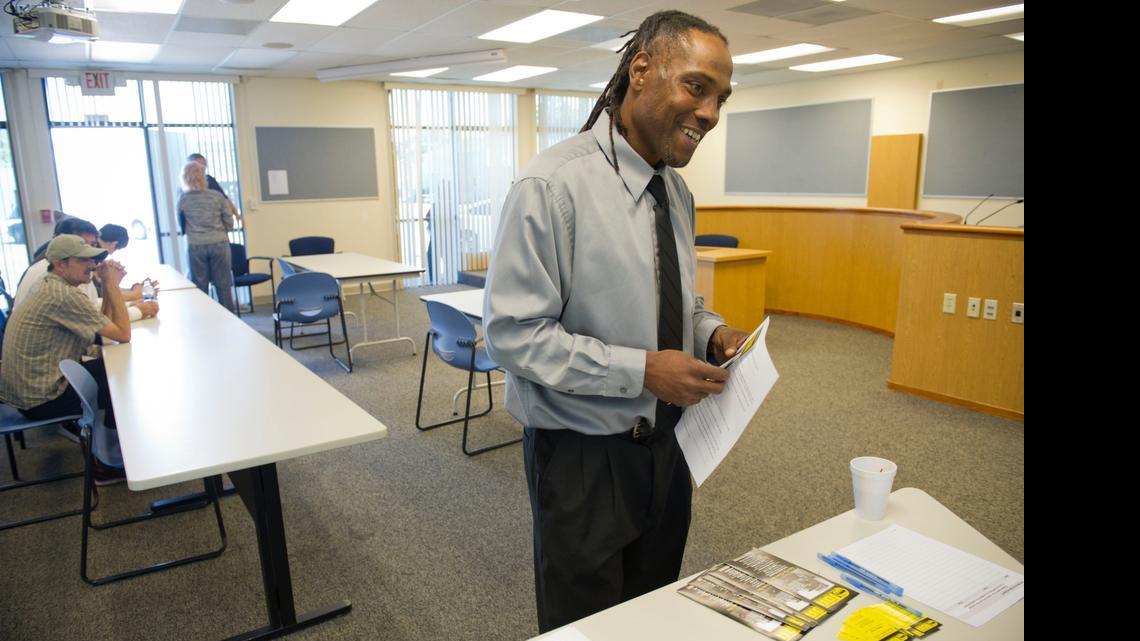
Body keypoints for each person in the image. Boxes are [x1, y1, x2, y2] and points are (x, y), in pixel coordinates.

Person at [482, 10, 750, 632]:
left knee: (649, 615)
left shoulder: (675, 192)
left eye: (721, 99)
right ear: (641, 71)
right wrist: (643, 371)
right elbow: (513, 335)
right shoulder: (551, 186)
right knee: (585, 626)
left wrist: (713, 331)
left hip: (667, 452)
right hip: (582, 461)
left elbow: (675, 303)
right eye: (697, 87)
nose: (709, 113)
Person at [0, 234, 134, 484]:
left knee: (113, 368)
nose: (92, 265)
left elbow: (100, 328)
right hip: (42, 400)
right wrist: (113, 286)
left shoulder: (52, 285)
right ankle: (108, 461)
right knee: (119, 375)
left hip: (28, 392)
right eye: (83, 260)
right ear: (60, 264)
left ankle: (112, 451)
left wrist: (106, 286)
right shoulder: (62, 295)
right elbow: (123, 333)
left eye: (92, 260)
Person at [15, 220, 158, 321]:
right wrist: (137, 309)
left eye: (92, 245)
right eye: (83, 245)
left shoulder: (64, 264)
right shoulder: (51, 273)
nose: (90, 252)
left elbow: (91, 306)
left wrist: (129, 304)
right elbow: (103, 326)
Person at [178, 161, 236, 312]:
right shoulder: (217, 196)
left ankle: (205, 319)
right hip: (219, 243)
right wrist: (223, 230)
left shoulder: (183, 199)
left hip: (195, 245)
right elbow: (229, 221)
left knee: (200, 288)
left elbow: (182, 225)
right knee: (223, 287)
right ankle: (230, 321)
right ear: (204, 177)